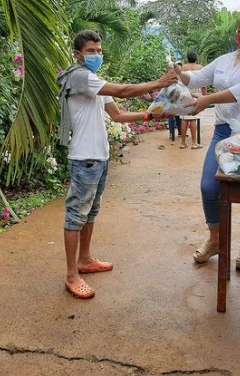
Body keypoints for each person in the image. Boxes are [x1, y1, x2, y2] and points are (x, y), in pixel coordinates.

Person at [57, 29, 178, 299]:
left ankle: (85, 260)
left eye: (99, 51)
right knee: (76, 214)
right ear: (78, 54)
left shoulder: (96, 82)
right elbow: (123, 92)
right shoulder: (80, 77)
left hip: (100, 156)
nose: (97, 55)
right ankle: (71, 275)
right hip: (84, 158)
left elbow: (118, 115)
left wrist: (150, 115)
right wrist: (158, 84)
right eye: (91, 51)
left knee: (91, 211)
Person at [176, 13, 240, 271]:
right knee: (209, 186)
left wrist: (207, 101)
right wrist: (179, 74)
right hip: (224, 132)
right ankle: (216, 240)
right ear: (237, 35)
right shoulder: (224, 61)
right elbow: (198, 78)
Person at [180, 51, 206, 149]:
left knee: (184, 118)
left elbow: (180, 80)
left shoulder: (183, 67)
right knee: (193, 118)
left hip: (185, 92)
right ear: (196, 58)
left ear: (187, 58)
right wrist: (204, 95)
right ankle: (194, 143)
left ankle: (183, 143)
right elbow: (204, 82)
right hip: (196, 92)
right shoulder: (200, 67)